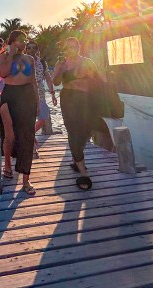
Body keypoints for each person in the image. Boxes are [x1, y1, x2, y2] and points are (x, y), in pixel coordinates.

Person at [52, 37, 104, 191]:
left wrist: (90, 74)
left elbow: (99, 80)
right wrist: (61, 69)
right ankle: (83, 172)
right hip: (69, 98)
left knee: (85, 131)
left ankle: (76, 159)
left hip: (86, 99)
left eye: (73, 47)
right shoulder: (61, 62)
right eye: (67, 47)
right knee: (74, 132)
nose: (70, 50)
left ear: (78, 47)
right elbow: (56, 82)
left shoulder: (88, 62)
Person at [0, 30, 39, 196]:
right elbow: (3, 73)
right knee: (10, 135)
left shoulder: (30, 59)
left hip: (27, 96)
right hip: (9, 95)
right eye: (21, 40)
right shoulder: (4, 57)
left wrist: (37, 102)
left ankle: (26, 178)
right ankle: (7, 164)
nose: (24, 42)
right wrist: (11, 53)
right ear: (13, 41)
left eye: (25, 39)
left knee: (27, 136)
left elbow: (33, 80)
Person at [26, 41, 58, 156]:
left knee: (43, 116)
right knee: (28, 119)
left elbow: (48, 78)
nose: (31, 50)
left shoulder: (42, 62)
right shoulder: (22, 61)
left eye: (34, 48)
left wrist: (53, 93)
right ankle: (32, 146)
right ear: (26, 50)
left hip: (40, 92)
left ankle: (30, 135)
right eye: (29, 48)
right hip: (26, 92)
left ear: (37, 49)